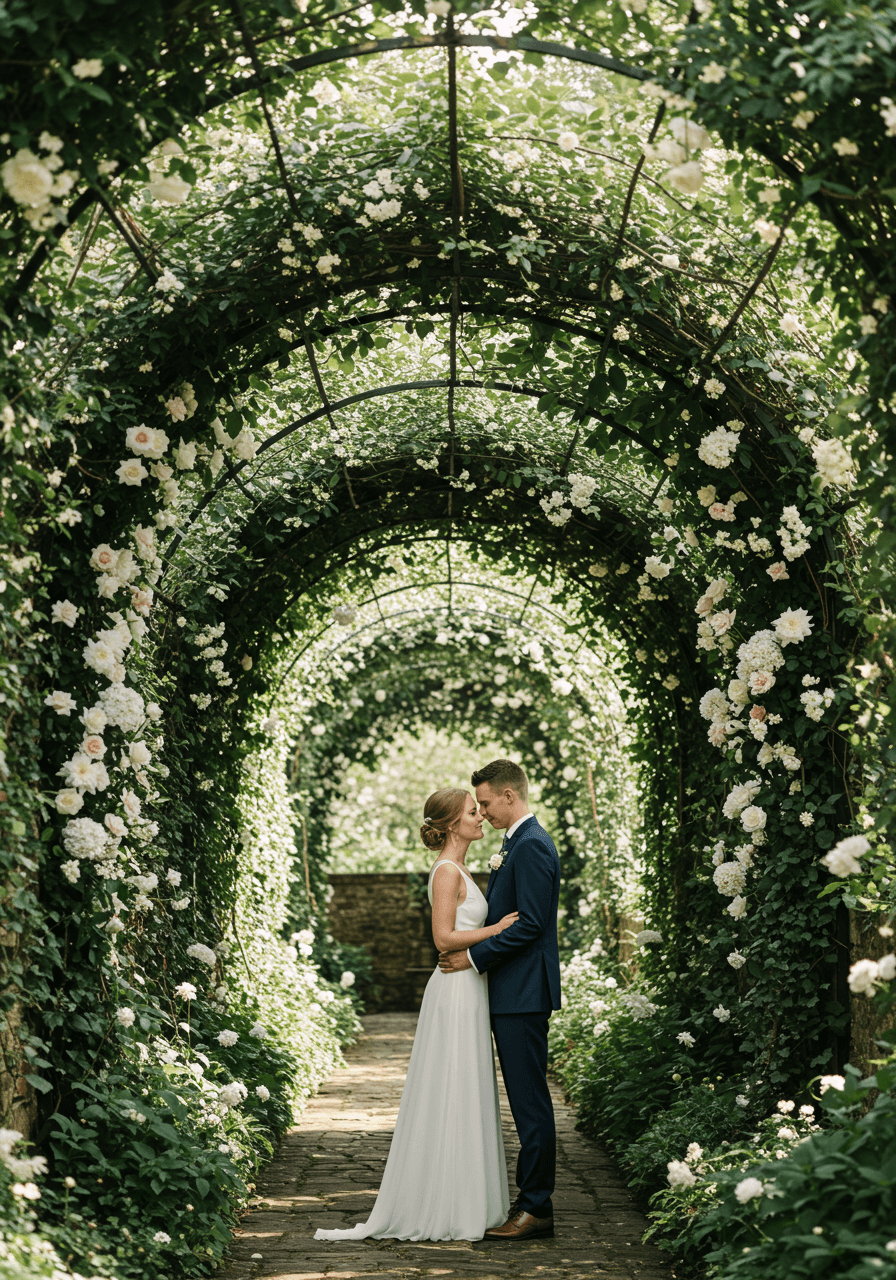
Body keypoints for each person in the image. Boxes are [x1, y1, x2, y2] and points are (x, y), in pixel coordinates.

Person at [314, 786, 519, 1243]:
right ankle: (445, 1202)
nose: (480, 818)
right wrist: (498, 928)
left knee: (465, 1086)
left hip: (469, 986)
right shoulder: (446, 872)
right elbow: (443, 939)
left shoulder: (461, 867)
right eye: (472, 812)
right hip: (454, 989)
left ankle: (467, 1197)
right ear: (451, 825)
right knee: (451, 1086)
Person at [438, 758, 561, 1242]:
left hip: (523, 993)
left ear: (510, 796)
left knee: (531, 1104)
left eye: (486, 803)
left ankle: (536, 1208)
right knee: (526, 1101)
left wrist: (472, 960)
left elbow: (529, 925)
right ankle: (530, 1201)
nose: (483, 812)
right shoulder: (518, 843)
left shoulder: (531, 846)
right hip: (514, 991)